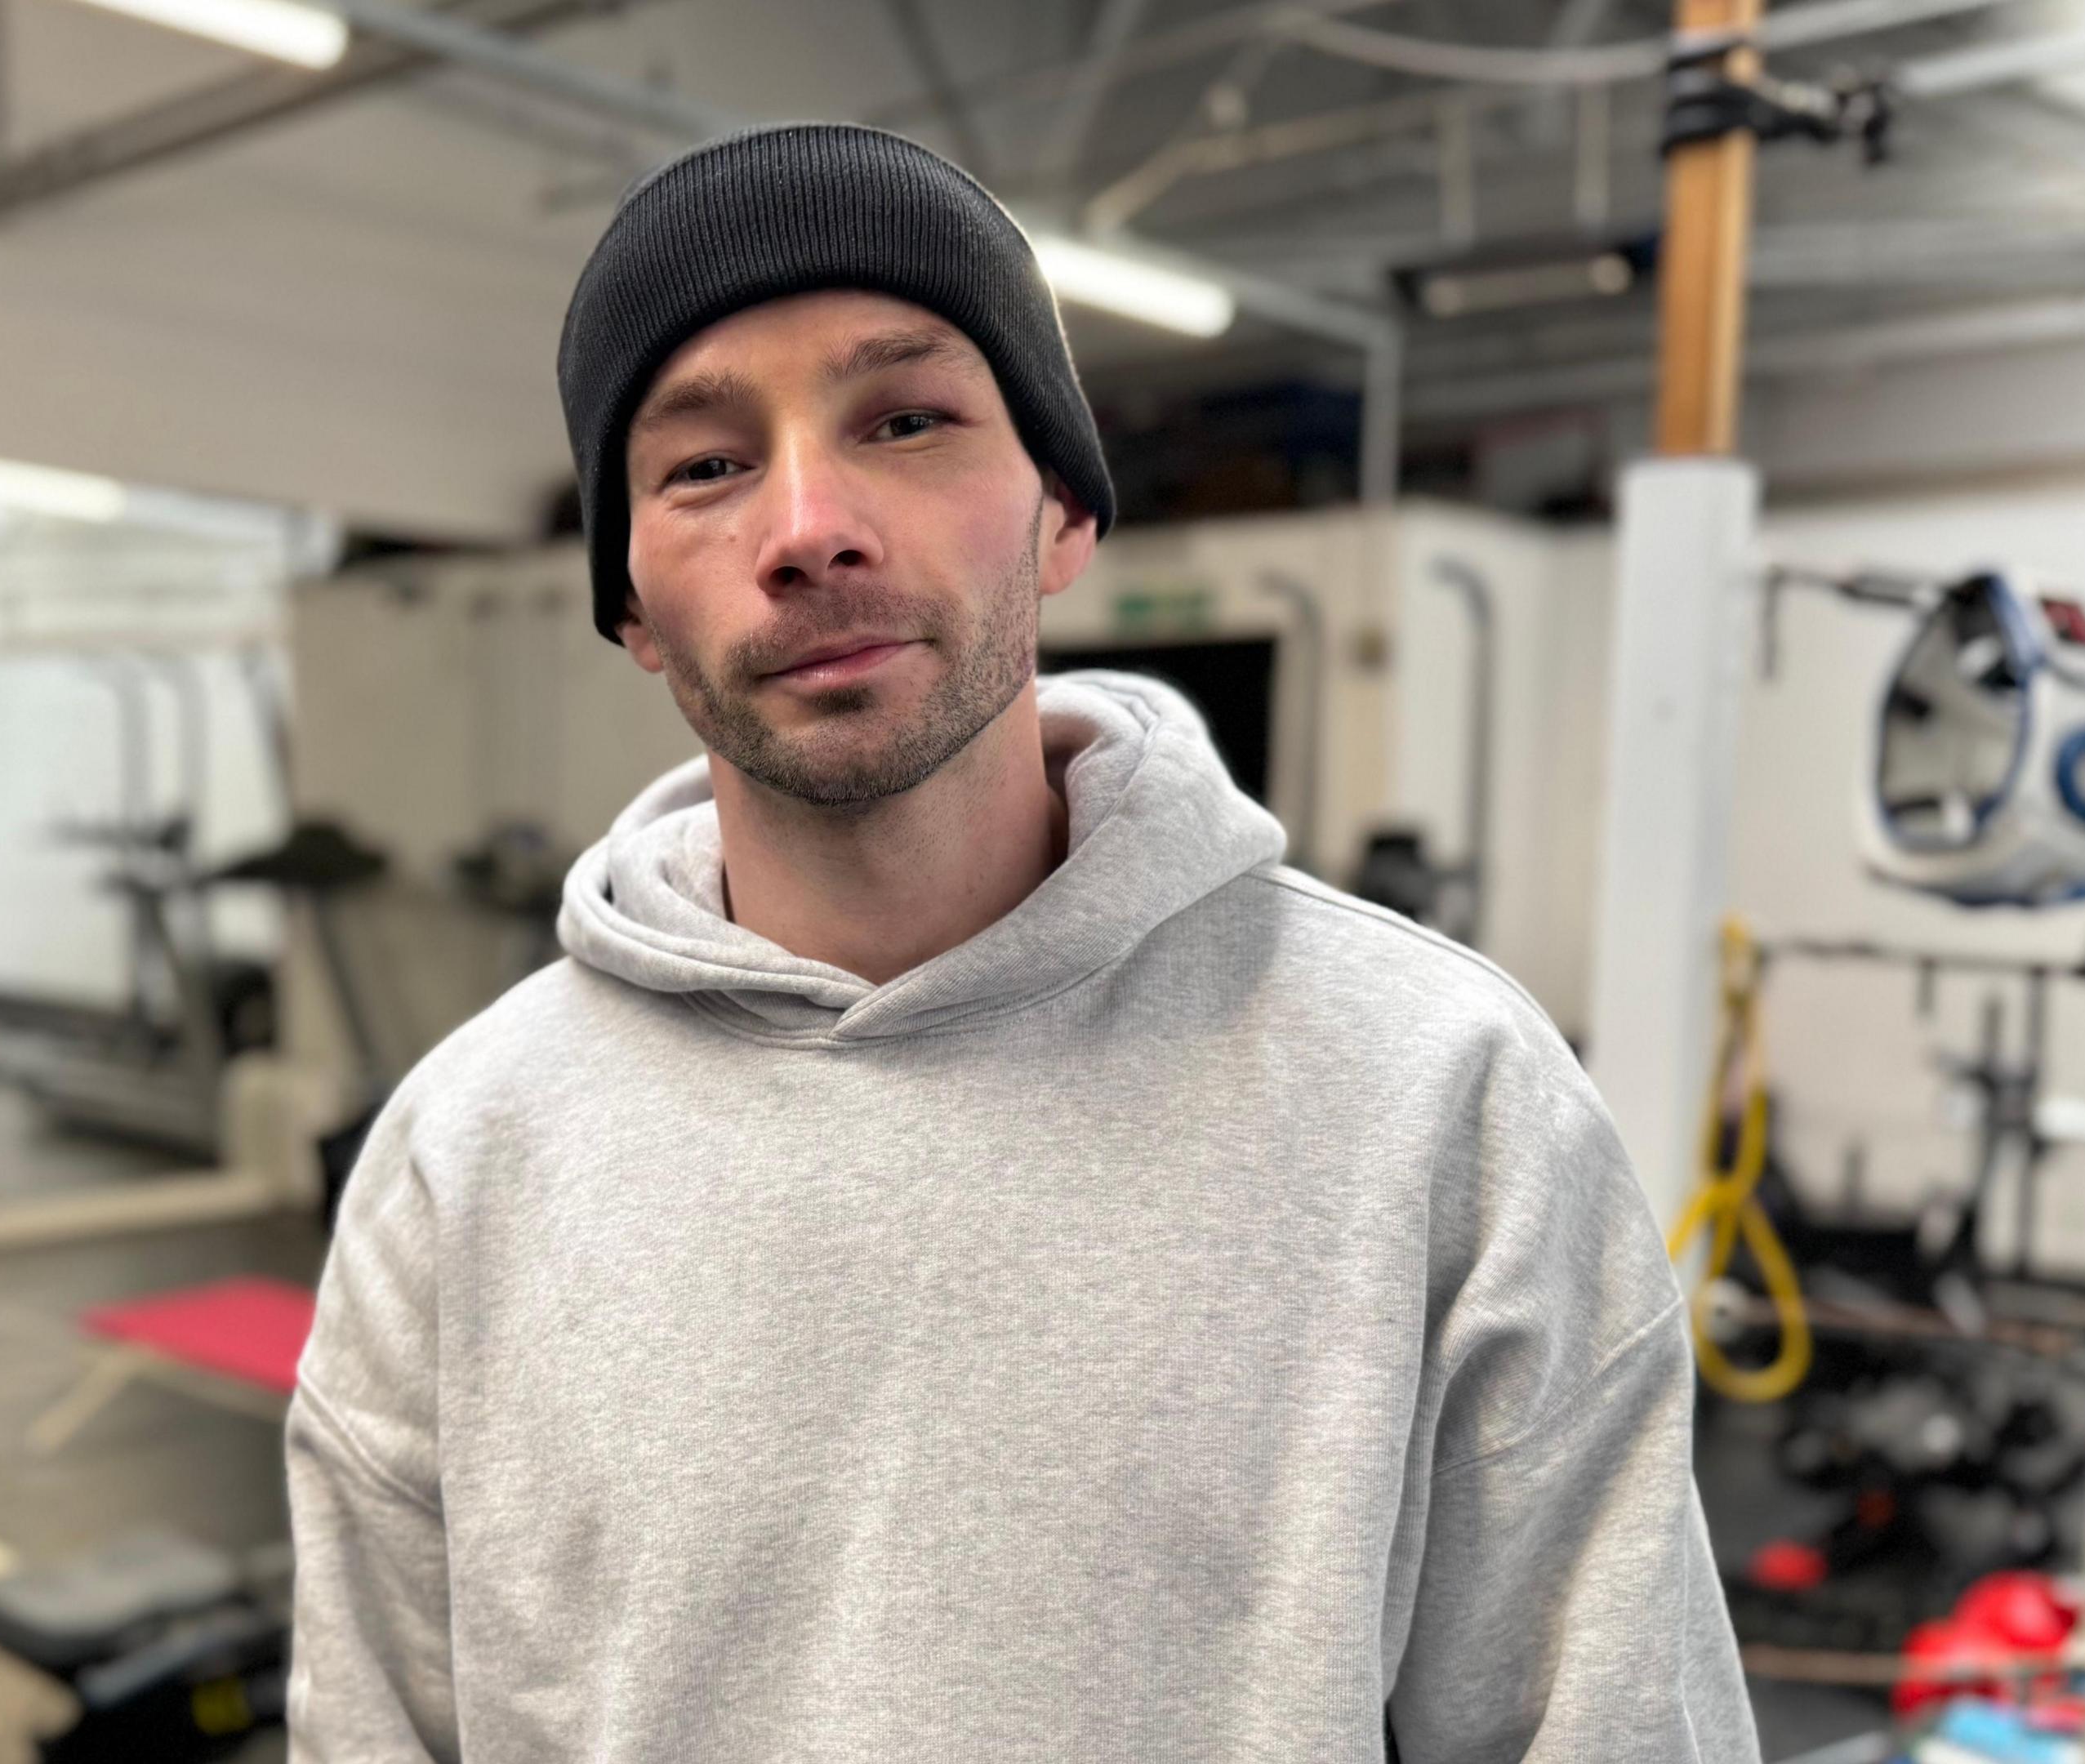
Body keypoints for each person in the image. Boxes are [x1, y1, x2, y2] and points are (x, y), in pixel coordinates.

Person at [284, 122, 1756, 1763]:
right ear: (630, 603)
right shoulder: (463, 1161)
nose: (809, 524)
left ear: (1061, 512)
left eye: (906, 419)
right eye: (702, 463)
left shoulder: (1441, 1106)